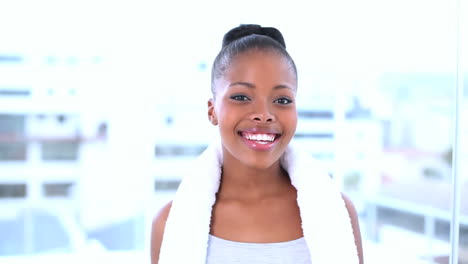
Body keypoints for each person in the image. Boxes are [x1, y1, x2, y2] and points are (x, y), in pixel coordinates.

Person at [151, 24, 364, 264]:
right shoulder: (169, 224)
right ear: (212, 110)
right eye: (241, 97)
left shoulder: (337, 214)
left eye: (282, 99)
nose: (264, 114)